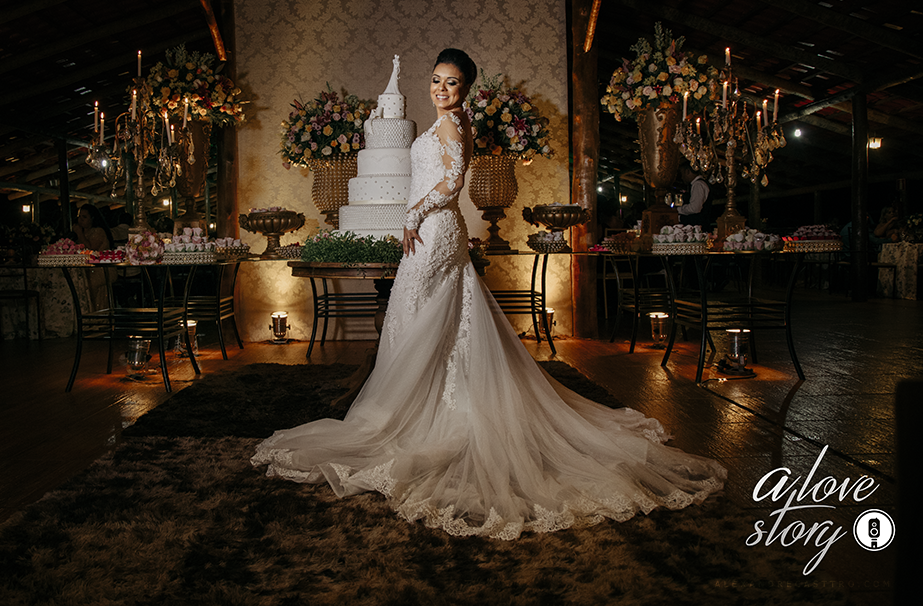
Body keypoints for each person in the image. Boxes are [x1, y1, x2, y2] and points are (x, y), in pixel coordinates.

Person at [252, 49, 725, 539]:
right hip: (434, 230)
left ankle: (428, 415)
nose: (441, 89)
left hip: (435, 230)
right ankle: (426, 405)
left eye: (451, 83)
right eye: (436, 80)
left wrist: (413, 214)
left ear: (465, 89)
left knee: (421, 320)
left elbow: (453, 182)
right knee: (428, 321)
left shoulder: (452, 124)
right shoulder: (448, 124)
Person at [677, 164, 714, 230]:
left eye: (682, 174)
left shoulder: (698, 184)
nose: (682, 177)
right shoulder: (698, 184)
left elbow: (695, 208)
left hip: (699, 227)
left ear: (687, 171)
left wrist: (678, 210)